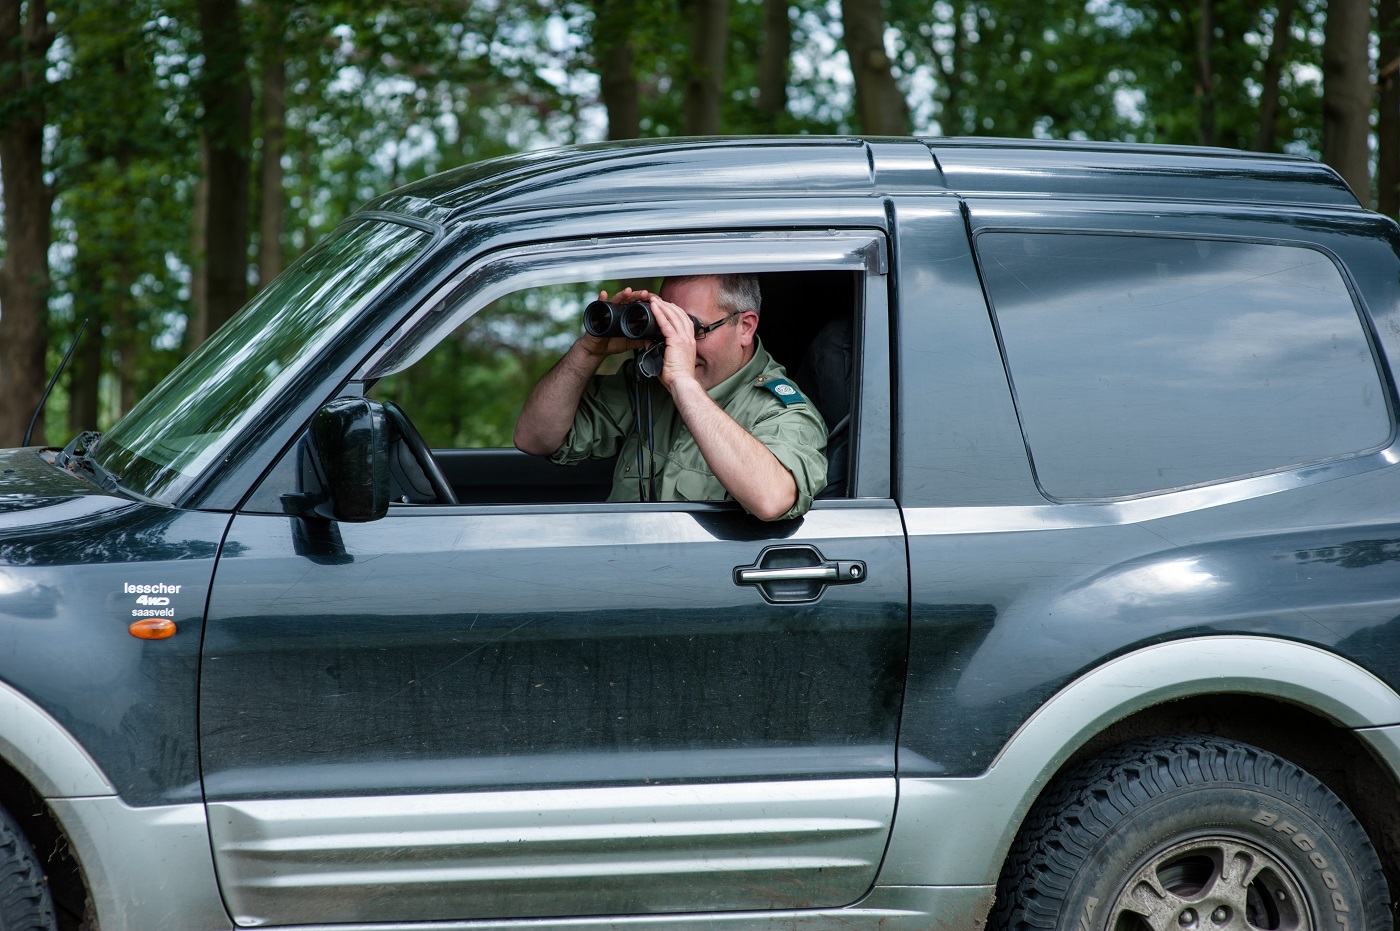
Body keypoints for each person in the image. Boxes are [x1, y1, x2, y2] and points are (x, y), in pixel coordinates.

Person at [514, 273, 828, 521]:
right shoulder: (648, 381)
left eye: (691, 328)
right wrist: (587, 351)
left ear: (744, 327)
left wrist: (683, 382)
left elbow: (772, 498)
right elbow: (535, 438)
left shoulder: (780, 410)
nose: (674, 344)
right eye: (666, 325)